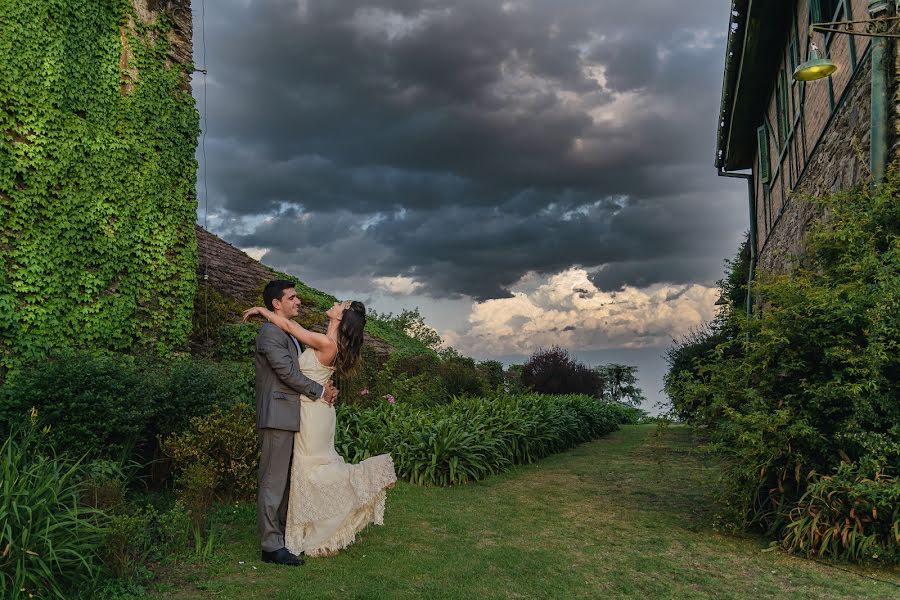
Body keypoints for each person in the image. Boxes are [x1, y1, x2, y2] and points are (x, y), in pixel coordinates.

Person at [244, 297, 396, 558]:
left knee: (312, 469)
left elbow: (291, 329)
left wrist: (261, 310)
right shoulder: (329, 342)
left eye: (339, 304)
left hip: (313, 412)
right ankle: (310, 529)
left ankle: (372, 474)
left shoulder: (326, 342)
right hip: (317, 409)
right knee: (315, 467)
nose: (334, 303)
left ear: (340, 317)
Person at [253, 280, 338, 567]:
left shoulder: (289, 334)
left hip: (292, 415)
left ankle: (284, 537)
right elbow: (288, 373)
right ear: (276, 303)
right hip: (277, 415)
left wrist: (325, 384)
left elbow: (304, 368)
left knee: (287, 481)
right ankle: (270, 546)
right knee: (273, 481)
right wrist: (320, 391)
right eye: (292, 297)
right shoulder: (269, 333)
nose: (298, 301)